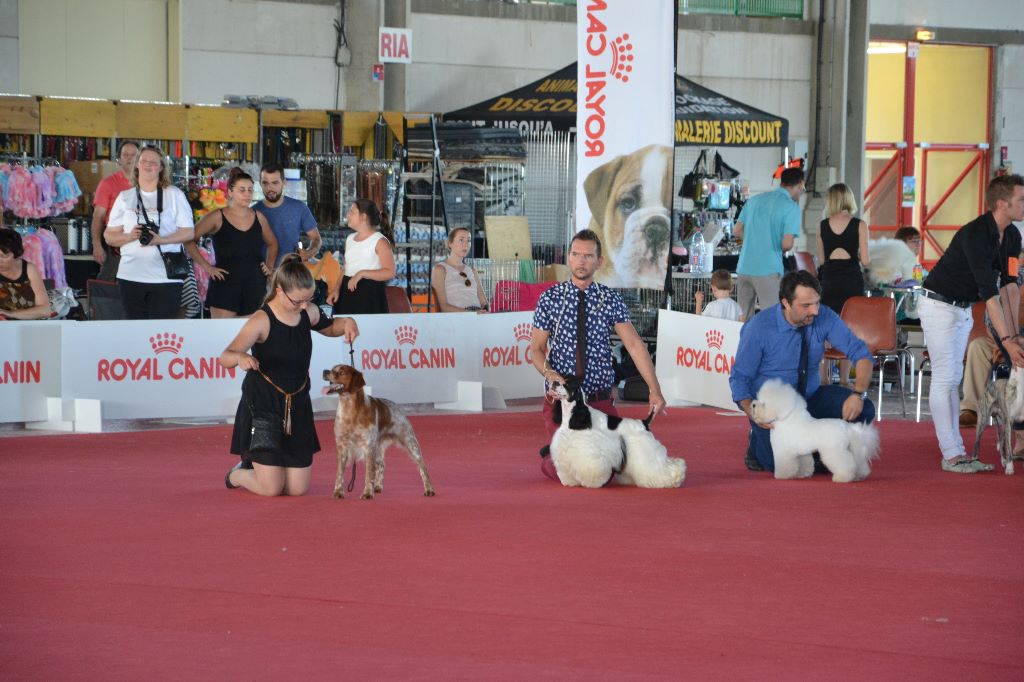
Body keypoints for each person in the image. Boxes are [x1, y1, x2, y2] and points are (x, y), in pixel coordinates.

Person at [529, 229, 666, 481]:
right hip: (563, 403)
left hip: (599, 399)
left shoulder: (610, 299)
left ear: (599, 261)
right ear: (568, 258)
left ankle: (558, 452)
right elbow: (536, 349)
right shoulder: (549, 299)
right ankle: (555, 453)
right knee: (568, 471)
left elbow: (635, 345)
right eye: (576, 254)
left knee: (608, 472)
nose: (581, 261)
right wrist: (550, 374)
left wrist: (654, 390)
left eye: (588, 256)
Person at [221, 255, 359, 497]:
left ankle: (265, 467)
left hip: (297, 401)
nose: (304, 306)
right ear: (279, 291)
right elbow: (226, 356)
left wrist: (347, 322)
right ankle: (238, 474)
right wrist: (241, 358)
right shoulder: (261, 320)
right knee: (272, 488)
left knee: (297, 489)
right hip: (264, 403)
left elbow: (331, 327)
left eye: (308, 299)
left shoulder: (309, 312)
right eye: (298, 301)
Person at [918, 174, 1024, 473]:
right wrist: (1006, 342)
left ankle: (959, 452)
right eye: (1021, 200)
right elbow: (990, 295)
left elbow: (1010, 287)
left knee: (952, 376)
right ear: (1002, 204)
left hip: (962, 309)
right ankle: (951, 453)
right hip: (938, 304)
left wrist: (1014, 335)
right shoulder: (975, 235)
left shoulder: (1013, 236)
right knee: (945, 378)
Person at [730, 270, 876, 473]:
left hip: (811, 396)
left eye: (816, 302)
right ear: (786, 303)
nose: (815, 311)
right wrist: (752, 412)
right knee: (778, 466)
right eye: (806, 305)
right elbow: (739, 378)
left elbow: (861, 354)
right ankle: (758, 442)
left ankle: (820, 451)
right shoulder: (758, 328)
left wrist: (858, 394)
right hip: (776, 410)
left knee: (865, 408)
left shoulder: (825, 316)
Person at [103, 145, 194, 320]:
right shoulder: (125, 197)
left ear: (161, 167)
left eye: (153, 162)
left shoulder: (174, 195)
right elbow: (109, 236)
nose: (148, 165)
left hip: (166, 277)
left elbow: (189, 232)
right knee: (135, 332)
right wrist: (129, 236)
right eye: (143, 161)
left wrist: (161, 240)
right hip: (130, 275)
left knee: (162, 332)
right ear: (137, 165)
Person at [184, 168, 278, 318]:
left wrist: (270, 267)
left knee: (253, 334)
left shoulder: (259, 217)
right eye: (242, 190)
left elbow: (273, 244)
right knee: (223, 335)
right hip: (225, 284)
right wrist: (207, 266)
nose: (247, 194)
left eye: (250, 190)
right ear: (230, 192)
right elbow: (188, 240)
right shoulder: (216, 216)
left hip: (254, 283)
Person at [733, 167, 805, 321]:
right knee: (772, 319)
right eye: (803, 188)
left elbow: (737, 231)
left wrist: (756, 239)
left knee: (743, 320)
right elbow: (786, 244)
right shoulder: (791, 207)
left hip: (744, 268)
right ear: (799, 184)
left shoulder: (754, 200)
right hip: (768, 269)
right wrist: (770, 241)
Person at [816, 183, 870, 386]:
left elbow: (821, 260)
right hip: (851, 282)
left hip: (829, 281)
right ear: (849, 199)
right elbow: (865, 260)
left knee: (824, 330)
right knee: (849, 330)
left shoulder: (822, 225)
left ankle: (823, 379)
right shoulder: (860, 225)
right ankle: (845, 380)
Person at [327, 199, 395, 315]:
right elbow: (346, 268)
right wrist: (336, 289)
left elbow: (390, 272)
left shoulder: (379, 241)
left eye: (352, 212)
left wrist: (361, 273)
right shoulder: (350, 239)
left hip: (370, 294)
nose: (348, 215)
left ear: (363, 217)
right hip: (347, 291)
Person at [254, 162, 321, 267]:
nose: (269, 188)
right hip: (261, 273)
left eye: (275, 183)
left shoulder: (299, 207)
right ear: (260, 183)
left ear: (284, 183)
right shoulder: (253, 211)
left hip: (290, 273)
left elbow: (316, 238)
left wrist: (309, 252)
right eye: (265, 183)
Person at [90, 140, 139, 281]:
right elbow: (98, 217)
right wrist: (97, 245)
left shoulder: (147, 183)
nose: (129, 158)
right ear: (119, 159)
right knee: (110, 279)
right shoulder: (107, 184)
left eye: (133, 155)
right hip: (114, 239)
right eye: (125, 155)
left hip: (139, 239)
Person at [431, 227, 489, 312]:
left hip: (477, 315)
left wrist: (488, 309)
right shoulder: (440, 269)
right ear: (450, 243)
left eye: (468, 241)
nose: (466, 244)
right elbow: (443, 306)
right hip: (458, 318)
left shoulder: (472, 271)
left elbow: (483, 301)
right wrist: (471, 313)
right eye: (461, 240)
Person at [0, 228, 51, 320]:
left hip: (28, 326)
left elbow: (45, 310)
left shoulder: (29, 269)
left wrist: (10, 313)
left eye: (4, 256)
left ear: (17, 254)